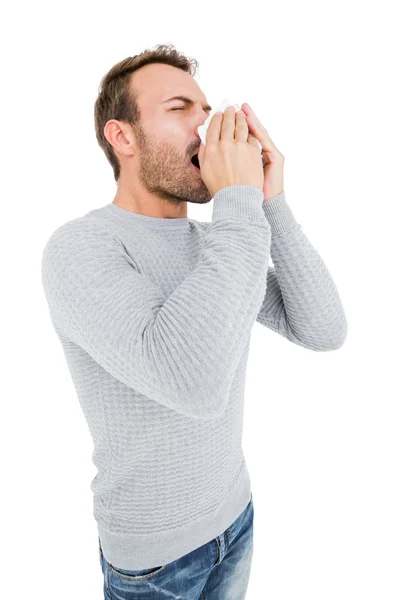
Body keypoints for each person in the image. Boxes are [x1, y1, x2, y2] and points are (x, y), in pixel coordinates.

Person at [41, 43, 348, 599]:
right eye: (180, 108)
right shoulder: (80, 248)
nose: (208, 130)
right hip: (156, 562)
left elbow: (323, 329)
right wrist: (237, 203)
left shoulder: (219, 243)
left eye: (207, 113)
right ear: (124, 137)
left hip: (236, 517)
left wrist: (269, 200)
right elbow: (194, 383)